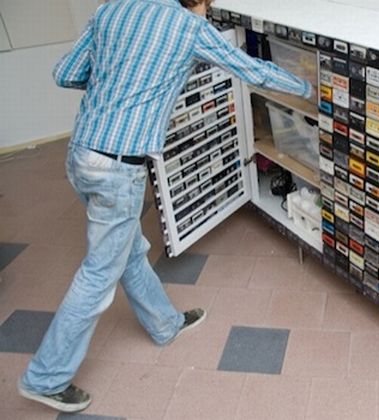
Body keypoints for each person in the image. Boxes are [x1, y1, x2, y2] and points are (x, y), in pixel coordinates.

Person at [18, 0, 312, 413]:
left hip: (82, 154)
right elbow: (253, 70)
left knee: (128, 249)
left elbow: (65, 72)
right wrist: (310, 89)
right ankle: (46, 378)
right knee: (98, 275)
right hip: (118, 168)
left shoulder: (111, 10)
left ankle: (164, 325)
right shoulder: (186, 27)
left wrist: (117, 81)